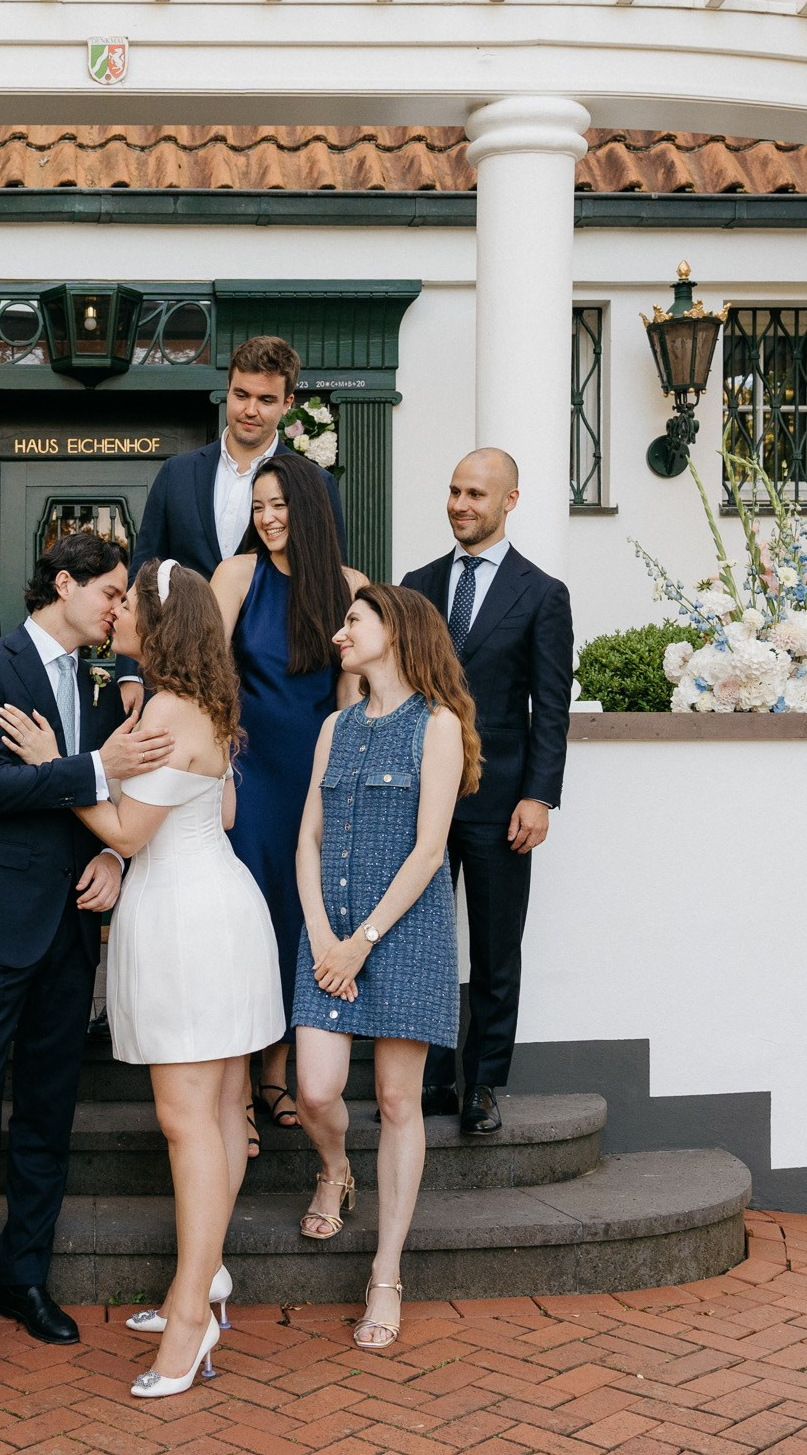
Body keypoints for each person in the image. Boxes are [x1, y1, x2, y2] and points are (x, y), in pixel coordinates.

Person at [0, 560, 283, 1398]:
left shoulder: (165, 707)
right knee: (220, 1112)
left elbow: (126, 832)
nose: (116, 612)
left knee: (186, 1120)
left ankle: (190, 1316)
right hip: (220, 903)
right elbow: (222, 810)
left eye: (129, 603)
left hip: (187, 921)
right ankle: (204, 1281)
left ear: (157, 625)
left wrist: (55, 765)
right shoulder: (206, 704)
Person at [0, 532, 174, 1389]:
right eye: (109, 593)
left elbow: (122, 801)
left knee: (47, 1117)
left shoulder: (106, 686)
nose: (118, 609)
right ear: (63, 584)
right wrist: (91, 766)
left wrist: (113, 856)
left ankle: (23, 1277)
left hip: (71, 929)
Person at [290, 584, 482, 1351]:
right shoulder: (333, 727)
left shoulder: (437, 726)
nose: (340, 633)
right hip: (328, 934)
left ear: (396, 632)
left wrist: (362, 942)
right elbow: (308, 838)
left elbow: (430, 851)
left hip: (402, 937)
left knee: (400, 1101)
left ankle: (386, 1273)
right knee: (314, 1089)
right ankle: (337, 1167)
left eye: (354, 621)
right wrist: (321, 934)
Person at [399, 449, 573, 1133]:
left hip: (502, 802)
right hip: (424, 797)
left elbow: (550, 708)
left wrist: (540, 796)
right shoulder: (416, 586)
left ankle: (484, 1085)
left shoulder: (542, 593)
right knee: (425, 943)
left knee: (496, 949)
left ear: (509, 502)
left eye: (475, 493)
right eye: (454, 491)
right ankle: (431, 1078)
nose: (460, 504)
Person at [210, 458, 365, 1155]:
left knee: (296, 921)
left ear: (308, 509)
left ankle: (276, 1077)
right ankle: (238, 1091)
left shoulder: (351, 589)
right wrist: (218, 765)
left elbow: (351, 696)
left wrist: (345, 788)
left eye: (280, 505)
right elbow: (209, 672)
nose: (269, 518)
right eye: (259, 506)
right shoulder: (237, 575)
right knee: (247, 924)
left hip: (315, 775)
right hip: (248, 775)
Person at [133, 334, 347, 578]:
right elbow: (142, 574)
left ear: (287, 403)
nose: (250, 410)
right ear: (228, 391)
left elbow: (330, 581)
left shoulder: (316, 482)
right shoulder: (176, 473)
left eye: (266, 400)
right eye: (241, 395)